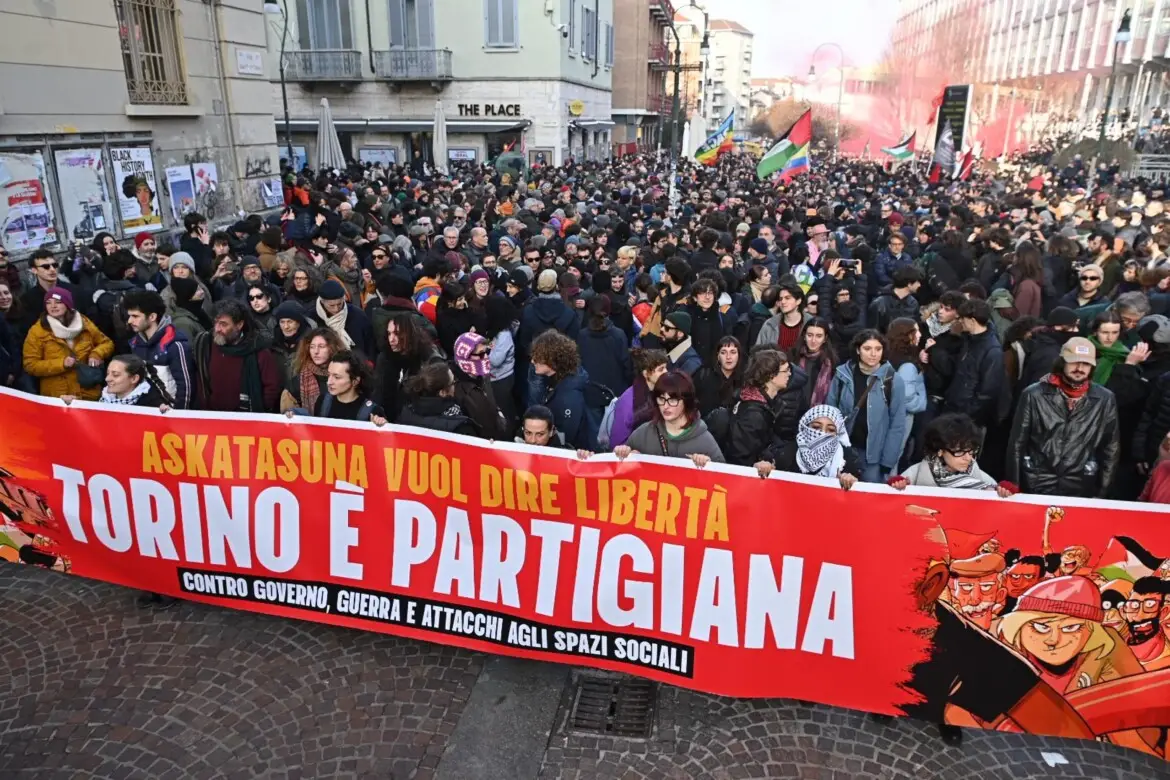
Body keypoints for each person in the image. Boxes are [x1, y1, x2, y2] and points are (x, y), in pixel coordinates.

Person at [1007, 337, 1120, 498]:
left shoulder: (1105, 398)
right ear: (1062, 362)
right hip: (1036, 481)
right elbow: (1017, 442)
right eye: (1074, 362)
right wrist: (1013, 483)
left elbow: (1110, 448)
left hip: (1081, 483)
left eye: (1086, 364)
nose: (1079, 368)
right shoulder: (1034, 394)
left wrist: (1102, 492)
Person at [826, 329, 908, 483]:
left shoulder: (892, 380)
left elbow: (897, 424)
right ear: (858, 350)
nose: (873, 354)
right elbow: (829, 412)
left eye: (878, 349)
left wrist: (887, 461)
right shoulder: (842, 375)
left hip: (874, 457)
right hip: (842, 449)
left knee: (868, 494)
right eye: (867, 348)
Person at [613, 370, 726, 467]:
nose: (665, 406)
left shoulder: (704, 441)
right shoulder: (643, 433)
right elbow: (617, 469)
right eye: (661, 399)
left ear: (686, 401)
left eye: (672, 400)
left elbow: (725, 478)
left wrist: (709, 466)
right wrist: (622, 453)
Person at [22, 287, 114, 401]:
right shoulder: (37, 331)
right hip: (57, 396)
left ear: (68, 304)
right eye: (48, 303)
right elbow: (30, 365)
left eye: (58, 302)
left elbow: (107, 343)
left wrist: (97, 354)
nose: (53, 306)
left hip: (87, 393)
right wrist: (61, 364)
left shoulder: (84, 323)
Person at [889, 413, 1017, 495]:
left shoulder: (980, 477)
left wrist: (1003, 491)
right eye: (960, 452)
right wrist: (897, 486)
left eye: (971, 451)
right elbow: (891, 495)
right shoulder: (916, 473)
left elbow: (997, 492)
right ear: (940, 450)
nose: (968, 458)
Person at [192, 298, 281, 413]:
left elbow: (271, 388)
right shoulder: (206, 344)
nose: (217, 329)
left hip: (247, 418)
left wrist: (258, 410)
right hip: (212, 417)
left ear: (239, 325)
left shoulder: (258, 350)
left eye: (223, 324)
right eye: (216, 323)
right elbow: (201, 380)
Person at [722, 349, 798, 468]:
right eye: (786, 370)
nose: (789, 374)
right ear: (771, 376)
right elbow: (739, 458)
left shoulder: (769, 403)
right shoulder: (752, 414)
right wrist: (758, 464)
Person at [755, 405, 861, 490]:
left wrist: (851, 481)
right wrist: (764, 468)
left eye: (831, 430)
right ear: (805, 427)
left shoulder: (847, 458)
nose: (822, 433)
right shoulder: (787, 453)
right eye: (816, 427)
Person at [124, 289, 194, 410]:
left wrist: (177, 415)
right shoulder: (135, 344)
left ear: (152, 317)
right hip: (145, 412)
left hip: (170, 415)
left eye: (135, 316)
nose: (129, 321)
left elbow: (186, 388)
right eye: (129, 316)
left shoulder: (175, 345)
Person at [528, 331, 597, 451]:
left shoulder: (569, 396)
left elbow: (566, 438)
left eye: (538, 357)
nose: (533, 361)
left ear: (552, 360)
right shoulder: (558, 380)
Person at [374, 312, 445, 420]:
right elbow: (378, 391)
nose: (391, 339)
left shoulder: (429, 359)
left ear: (409, 334)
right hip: (388, 420)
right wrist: (377, 414)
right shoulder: (385, 358)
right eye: (389, 333)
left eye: (397, 333)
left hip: (417, 420)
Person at [287, 350, 383, 422]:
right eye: (329, 375)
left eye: (337, 377)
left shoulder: (371, 411)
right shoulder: (323, 401)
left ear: (355, 381)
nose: (329, 382)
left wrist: (381, 426)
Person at [60, 354, 172, 410]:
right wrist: (74, 405)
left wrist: (165, 416)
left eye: (115, 375)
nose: (107, 379)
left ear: (134, 379)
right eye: (108, 373)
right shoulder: (105, 398)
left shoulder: (153, 406)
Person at [396, 361, 478, 437]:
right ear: (443, 392)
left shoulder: (405, 413)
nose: (455, 385)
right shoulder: (460, 427)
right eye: (453, 382)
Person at [608, 348, 668, 448]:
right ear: (646, 373)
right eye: (661, 369)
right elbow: (618, 441)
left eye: (666, 367)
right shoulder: (628, 400)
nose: (666, 372)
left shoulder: (666, 392)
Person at [576, 295, 632, 396]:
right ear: (609, 311)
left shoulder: (582, 335)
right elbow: (626, 365)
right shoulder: (618, 335)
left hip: (590, 391)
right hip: (614, 391)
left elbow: (578, 364)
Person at [279, 327, 345, 413]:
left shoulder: (345, 375)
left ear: (332, 348)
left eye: (321, 346)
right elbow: (288, 415)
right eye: (312, 347)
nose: (316, 351)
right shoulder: (298, 381)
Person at [316, 279, 375, 359]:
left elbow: (370, 344)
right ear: (322, 302)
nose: (336, 309)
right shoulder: (314, 318)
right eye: (331, 306)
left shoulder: (358, 315)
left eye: (339, 304)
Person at [791, 317, 837, 408]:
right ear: (804, 336)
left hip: (820, 412)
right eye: (810, 335)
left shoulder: (832, 362)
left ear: (825, 338)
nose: (813, 340)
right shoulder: (793, 357)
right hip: (794, 409)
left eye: (819, 336)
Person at [693, 336, 745, 415]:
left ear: (739, 355)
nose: (728, 357)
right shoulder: (704, 377)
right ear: (718, 356)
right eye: (723, 352)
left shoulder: (744, 379)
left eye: (733, 352)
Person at [755, 282, 807, 351]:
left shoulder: (810, 322)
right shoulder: (770, 324)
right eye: (780, 299)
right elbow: (758, 352)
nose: (783, 302)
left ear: (798, 301)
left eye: (787, 298)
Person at [660, 311, 702, 376]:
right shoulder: (668, 346)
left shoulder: (691, 362)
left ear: (680, 334)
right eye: (662, 325)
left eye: (667, 328)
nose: (661, 329)